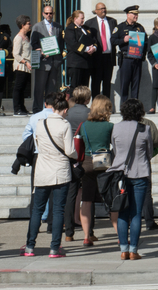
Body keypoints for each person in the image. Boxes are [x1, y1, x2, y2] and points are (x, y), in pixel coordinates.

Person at [26, 91, 74, 258]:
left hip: (42, 170)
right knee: (58, 210)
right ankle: (54, 248)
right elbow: (70, 151)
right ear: (65, 110)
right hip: (60, 170)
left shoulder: (40, 123)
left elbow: (37, 142)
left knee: (37, 211)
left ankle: (29, 247)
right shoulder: (65, 125)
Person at [110, 98, 156, 259]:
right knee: (136, 213)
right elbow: (149, 152)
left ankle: (123, 249)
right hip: (140, 172)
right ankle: (134, 250)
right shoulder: (145, 129)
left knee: (122, 211)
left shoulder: (116, 128)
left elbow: (115, 149)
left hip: (120, 174)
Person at [80, 96, 115, 246]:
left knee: (86, 200)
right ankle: (120, 235)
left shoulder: (84, 125)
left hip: (87, 163)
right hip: (104, 163)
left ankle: (87, 236)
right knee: (112, 201)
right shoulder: (110, 126)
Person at [62, 85, 92, 241]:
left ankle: (69, 232)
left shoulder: (68, 113)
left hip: (70, 155)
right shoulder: (89, 113)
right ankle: (90, 231)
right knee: (88, 194)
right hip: (86, 155)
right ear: (87, 98)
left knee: (71, 194)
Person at [31, 6, 62, 106]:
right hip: (43, 62)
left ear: (53, 14)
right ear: (43, 14)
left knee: (52, 88)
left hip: (54, 62)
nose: (49, 15)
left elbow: (61, 44)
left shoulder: (58, 26)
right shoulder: (37, 26)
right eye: (47, 13)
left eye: (51, 13)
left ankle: (50, 108)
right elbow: (34, 43)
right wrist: (41, 51)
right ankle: (37, 108)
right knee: (39, 87)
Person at [87, 3, 118, 99]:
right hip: (96, 57)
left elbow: (115, 37)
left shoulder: (112, 21)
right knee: (96, 83)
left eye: (104, 8)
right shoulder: (90, 23)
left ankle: (106, 106)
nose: (103, 10)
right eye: (101, 9)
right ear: (96, 11)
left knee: (107, 83)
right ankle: (96, 105)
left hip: (108, 57)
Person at [116, 5, 146, 102]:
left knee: (136, 85)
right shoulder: (120, 27)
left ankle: (134, 107)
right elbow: (112, 41)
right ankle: (124, 106)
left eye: (137, 14)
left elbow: (146, 42)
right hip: (126, 59)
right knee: (125, 85)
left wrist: (142, 55)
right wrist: (123, 40)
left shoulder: (140, 27)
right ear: (128, 14)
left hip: (137, 59)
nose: (136, 16)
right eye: (134, 14)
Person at [65, 11, 97, 92]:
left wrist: (94, 48)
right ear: (75, 19)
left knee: (84, 89)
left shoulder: (86, 28)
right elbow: (73, 44)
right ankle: (74, 104)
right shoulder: (70, 29)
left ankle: (83, 104)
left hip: (86, 63)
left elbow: (94, 41)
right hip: (76, 64)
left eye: (83, 18)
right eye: (81, 18)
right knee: (75, 88)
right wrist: (86, 49)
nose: (83, 20)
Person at [12, 17, 34, 116]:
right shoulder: (19, 38)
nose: (30, 25)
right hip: (21, 66)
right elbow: (15, 54)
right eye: (28, 24)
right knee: (18, 87)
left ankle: (22, 107)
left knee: (23, 88)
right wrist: (25, 62)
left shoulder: (26, 37)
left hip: (27, 66)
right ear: (22, 25)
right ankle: (17, 108)